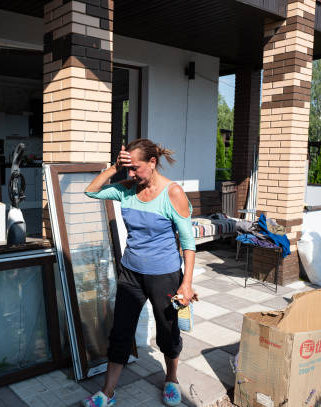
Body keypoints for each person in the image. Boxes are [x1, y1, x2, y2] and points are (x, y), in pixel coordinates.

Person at [82, 139, 196, 407]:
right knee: (121, 332)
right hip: (131, 273)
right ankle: (108, 393)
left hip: (164, 276)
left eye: (135, 168)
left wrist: (186, 284)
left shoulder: (173, 193)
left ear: (153, 162)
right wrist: (114, 168)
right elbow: (92, 191)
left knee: (168, 331)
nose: (131, 174)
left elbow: (188, 243)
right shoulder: (126, 189)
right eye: (127, 168)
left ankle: (172, 379)